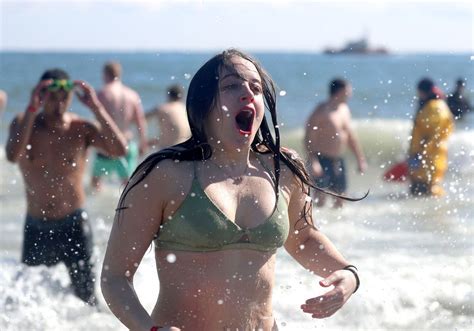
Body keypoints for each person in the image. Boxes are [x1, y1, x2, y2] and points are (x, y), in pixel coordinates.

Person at [101, 49, 360, 331]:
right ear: (204, 103)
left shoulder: (282, 169)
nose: (247, 92)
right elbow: (115, 278)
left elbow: (305, 238)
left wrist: (348, 275)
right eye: (231, 86)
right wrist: (149, 329)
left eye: (256, 87)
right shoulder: (165, 173)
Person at [5, 69, 127, 305]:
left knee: (87, 297)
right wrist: (32, 108)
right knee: (30, 302)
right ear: (40, 97)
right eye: (52, 96)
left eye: (65, 97)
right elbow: (12, 155)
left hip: (74, 224)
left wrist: (96, 107)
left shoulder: (80, 128)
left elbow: (119, 149)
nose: (59, 103)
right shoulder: (24, 124)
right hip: (36, 226)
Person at [304, 78, 367, 208]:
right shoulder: (321, 111)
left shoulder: (344, 109)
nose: (350, 94)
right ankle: (316, 225)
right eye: (348, 91)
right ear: (339, 91)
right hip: (321, 159)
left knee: (341, 197)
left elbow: (350, 137)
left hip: (338, 159)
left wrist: (360, 159)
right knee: (320, 198)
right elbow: (308, 137)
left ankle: (338, 226)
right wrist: (313, 161)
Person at [91, 61, 148, 191]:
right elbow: (140, 121)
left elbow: (97, 123)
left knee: (95, 184)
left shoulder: (102, 94)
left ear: (105, 74)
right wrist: (143, 142)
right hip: (127, 144)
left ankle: (99, 208)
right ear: (119, 74)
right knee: (128, 186)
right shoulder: (132, 95)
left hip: (107, 146)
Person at [408, 78, 454, 196]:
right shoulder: (433, 105)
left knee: (428, 192)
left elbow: (434, 135)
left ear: (423, 91)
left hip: (430, 159)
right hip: (429, 158)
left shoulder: (435, 107)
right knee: (422, 195)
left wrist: (419, 154)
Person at [145, 84, 191, 150]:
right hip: (185, 149)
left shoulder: (163, 108)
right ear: (181, 96)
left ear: (169, 96)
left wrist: (143, 141)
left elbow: (142, 119)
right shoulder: (186, 109)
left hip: (168, 151)